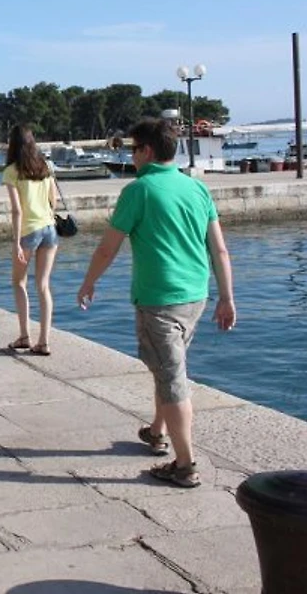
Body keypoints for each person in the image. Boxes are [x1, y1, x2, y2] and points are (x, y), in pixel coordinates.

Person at [77, 117, 235, 488]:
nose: (131, 156)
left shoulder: (139, 191)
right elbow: (219, 250)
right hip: (195, 296)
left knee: (172, 378)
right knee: (167, 368)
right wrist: (227, 297)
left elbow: (107, 248)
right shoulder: (197, 188)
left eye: (134, 149)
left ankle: (185, 465)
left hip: (158, 300)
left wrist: (88, 282)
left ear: (147, 151)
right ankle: (156, 431)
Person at [2, 125, 59, 355]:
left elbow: (17, 210)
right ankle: (44, 341)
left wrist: (16, 241)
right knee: (43, 286)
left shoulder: (11, 171)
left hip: (28, 230)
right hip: (49, 228)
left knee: (19, 282)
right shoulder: (45, 166)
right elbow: (53, 201)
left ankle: (25, 336)